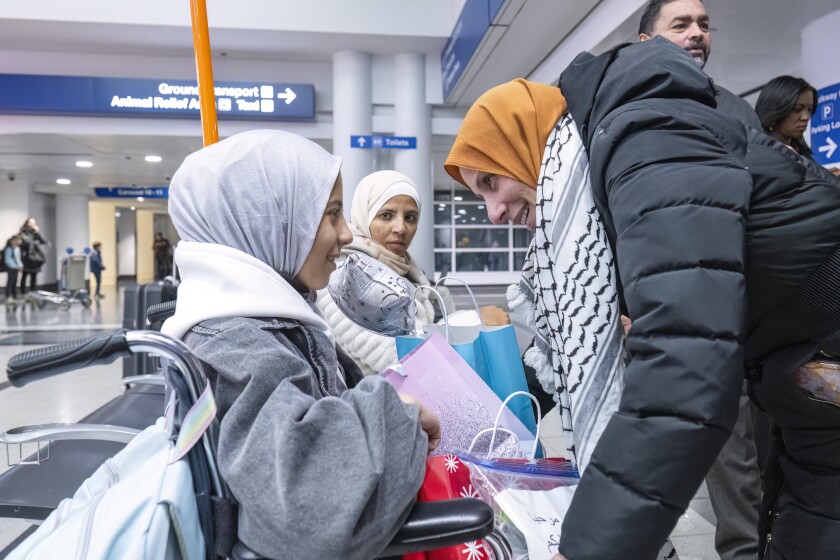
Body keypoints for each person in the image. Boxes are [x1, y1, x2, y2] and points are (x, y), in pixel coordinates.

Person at [444, 38, 840, 560]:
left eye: (491, 182)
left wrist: (590, 546)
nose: (494, 213)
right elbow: (577, 340)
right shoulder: (607, 169)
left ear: (526, 140)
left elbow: (682, 363)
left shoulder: (644, 142)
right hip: (807, 387)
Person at [160, 129, 438, 560]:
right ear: (272, 222)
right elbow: (308, 505)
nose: (347, 234)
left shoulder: (273, 320)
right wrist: (399, 414)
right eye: (331, 214)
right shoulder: (237, 345)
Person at [639, 2, 763, 557]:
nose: (696, 33)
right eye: (680, 24)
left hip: (741, 303)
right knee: (679, 450)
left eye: (704, 24)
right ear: (646, 42)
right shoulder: (627, 117)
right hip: (659, 311)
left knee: (746, 446)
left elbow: (766, 204)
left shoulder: (735, 110)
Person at [316, 170, 454, 375]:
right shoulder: (343, 276)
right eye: (386, 215)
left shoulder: (407, 271)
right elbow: (396, 356)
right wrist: (466, 326)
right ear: (364, 215)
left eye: (410, 217)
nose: (401, 228)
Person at [755, 75, 818, 159]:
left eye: (809, 110)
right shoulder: (754, 156)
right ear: (775, 109)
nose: (806, 117)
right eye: (797, 109)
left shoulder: (803, 156)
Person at [18, 217, 46, 294]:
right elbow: (26, 242)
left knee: (34, 277)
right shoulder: (22, 233)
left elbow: (42, 241)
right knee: (24, 276)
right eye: (31, 222)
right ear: (27, 223)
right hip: (26, 258)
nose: (32, 224)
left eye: (34, 223)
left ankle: (33, 293)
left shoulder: (35, 233)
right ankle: (23, 293)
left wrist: (37, 232)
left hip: (35, 259)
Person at [4, 235, 24, 302]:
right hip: (11, 267)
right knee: (10, 282)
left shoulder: (17, 248)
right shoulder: (9, 248)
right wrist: (15, 266)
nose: (17, 241)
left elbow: (18, 258)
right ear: (12, 240)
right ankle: (8, 296)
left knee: (15, 282)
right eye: (15, 240)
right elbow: (7, 259)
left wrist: (20, 265)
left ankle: (14, 295)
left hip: (16, 268)